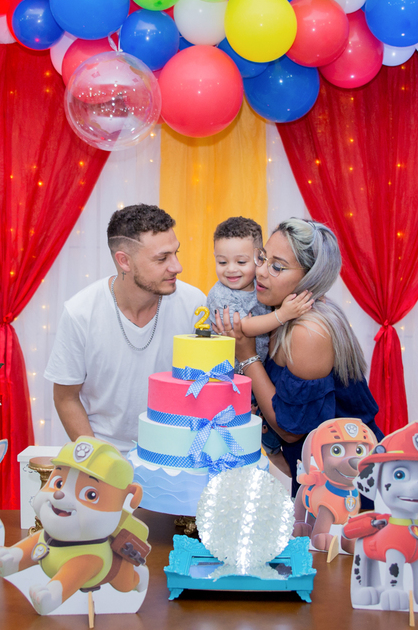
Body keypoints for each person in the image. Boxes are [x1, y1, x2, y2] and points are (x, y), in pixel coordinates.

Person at [214, 217, 381, 480]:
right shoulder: (274, 312)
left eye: (277, 267)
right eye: (263, 258)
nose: (260, 271)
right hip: (312, 475)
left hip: (350, 482)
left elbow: (291, 429)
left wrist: (246, 356)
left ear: (310, 278)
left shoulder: (308, 332)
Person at [45, 204, 205, 453]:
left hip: (178, 452)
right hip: (105, 453)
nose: (176, 267)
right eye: (162, 258)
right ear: (124, 261)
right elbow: (65, 398)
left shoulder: (195, 305)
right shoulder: (80, 312)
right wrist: (100, 461)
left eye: (176, 253)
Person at [206, 216, 313, 363]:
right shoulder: (221, 294)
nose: (231, 269)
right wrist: (283, 314)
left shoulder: (261, 283)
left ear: (258, 257)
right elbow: (243, 328)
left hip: (256, 366)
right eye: (222, 262)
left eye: (241, 262)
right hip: (225, 371)